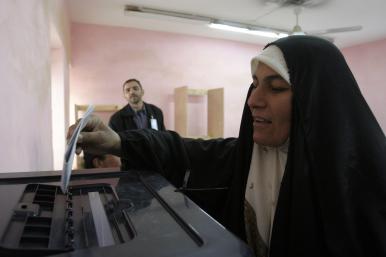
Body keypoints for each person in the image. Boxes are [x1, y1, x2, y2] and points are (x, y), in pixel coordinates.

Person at [69, 36, 386, 257]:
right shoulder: (249, 157)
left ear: (318, 102)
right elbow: (184, 150)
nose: (253, 100)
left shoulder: (363, 185)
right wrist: (119, 141)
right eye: (255, 84)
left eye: (275, 88)